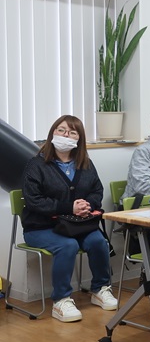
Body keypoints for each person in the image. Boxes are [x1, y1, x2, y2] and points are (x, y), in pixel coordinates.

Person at [21, 115, 118, 322]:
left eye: (72, 132)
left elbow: (97, 191)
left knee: (99, 241)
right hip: (40, 228)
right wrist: (70, 207)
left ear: (79, 139)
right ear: (52, 133)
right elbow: (34, 200)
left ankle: (100, 289)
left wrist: (87, 205)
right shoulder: (36, 164)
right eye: (61, 130)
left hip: (77, 225)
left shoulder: (86, 164)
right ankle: (61, 300)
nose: (66, 135)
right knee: (68, 246)